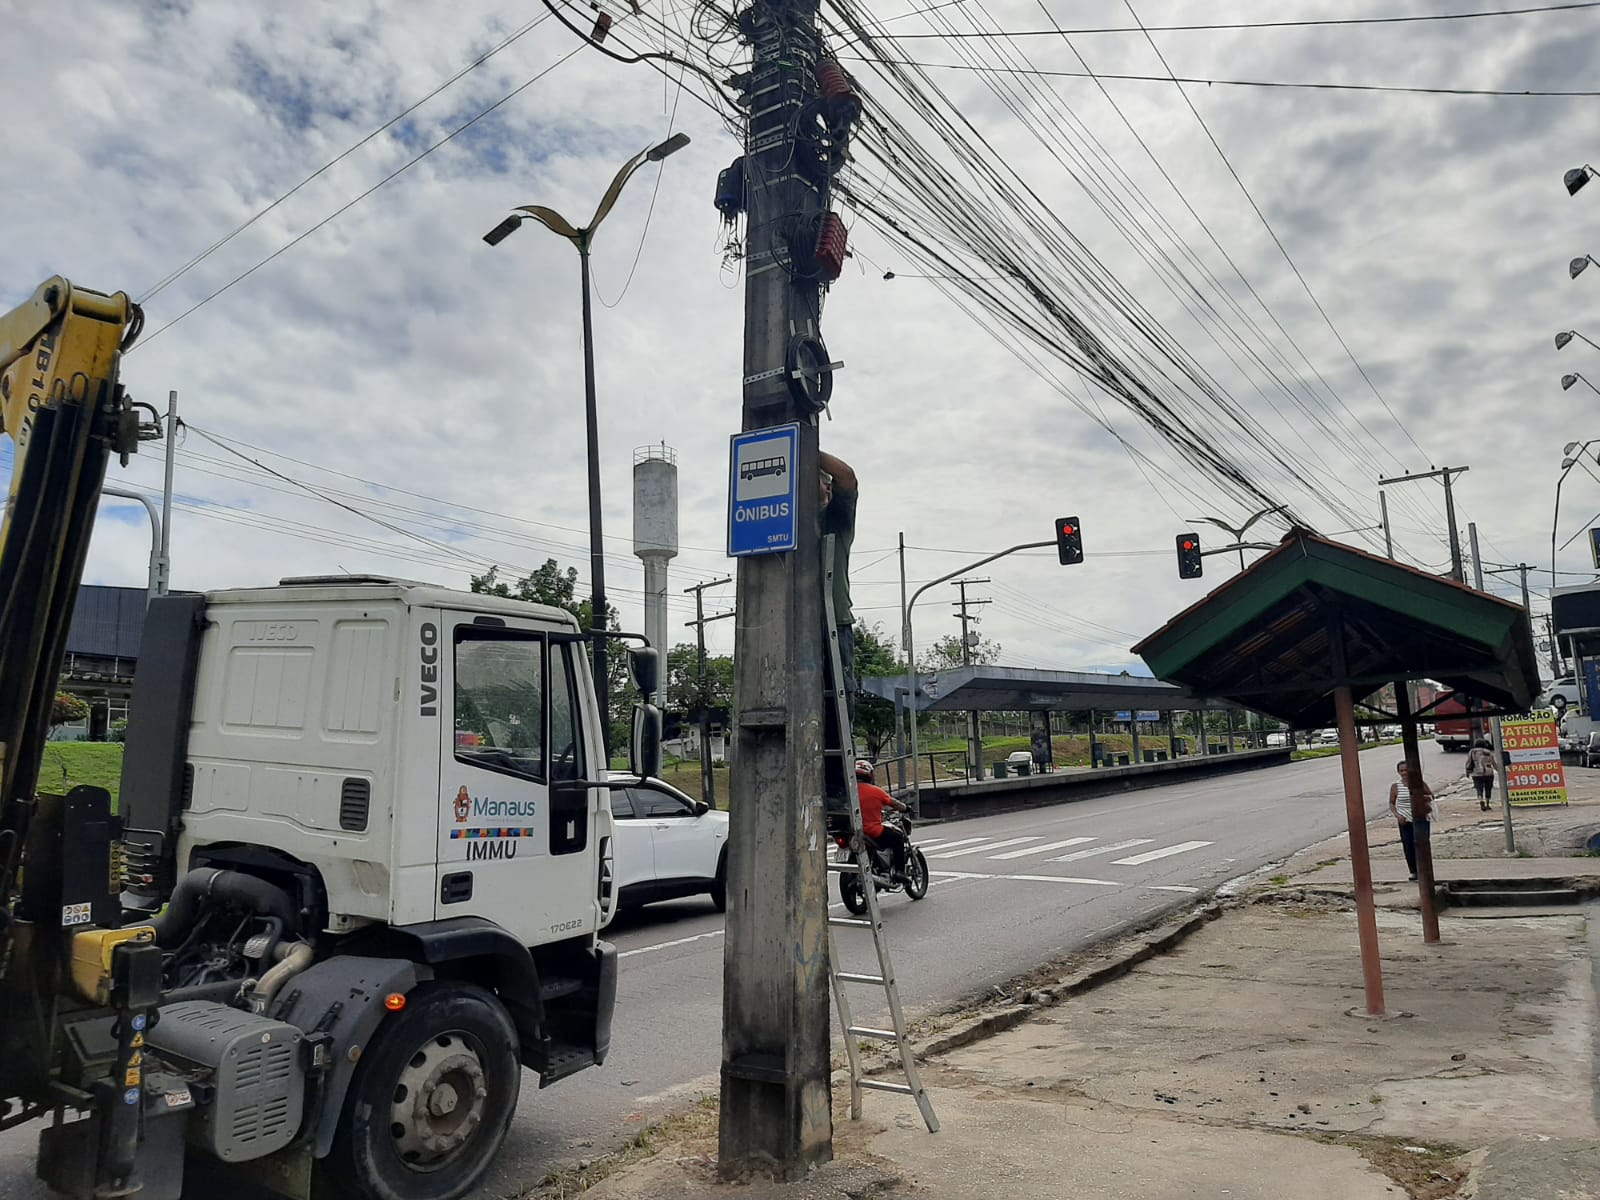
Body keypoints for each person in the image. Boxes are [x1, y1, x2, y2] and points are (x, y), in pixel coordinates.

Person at [820, 451, 858, 807]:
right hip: (792, 629)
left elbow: (847, 476)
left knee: (838, 706)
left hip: (834, 625)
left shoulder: (837, 519)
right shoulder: (790, 523)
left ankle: (838, 790)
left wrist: (803, 443)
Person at [855, 759, 910, 878]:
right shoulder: (876, 791)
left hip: (852, 831)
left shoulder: (848, 792)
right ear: (870, 775)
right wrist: (905, 808)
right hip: (872, 831)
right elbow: (894, 803)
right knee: (898, 837)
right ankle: (900, 872)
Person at [1388, 759, 1435, 882]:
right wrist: (1398, 816)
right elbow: (1392, 803)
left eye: (1406, 770)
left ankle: (1424, 870)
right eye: (1401, 771)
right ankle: (1413, 871)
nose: (1404, 773)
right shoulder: (1395, 786)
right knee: (1408, 846)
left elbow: (1431, 796)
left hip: (1421, 818)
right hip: (1404, 820)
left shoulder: (1419, 783)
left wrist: (1419, 796)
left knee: (1421, 844)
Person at [1464, 738, 1497, 811]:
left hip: (1477, 773)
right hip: (1489, 773)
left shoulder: (1472, 752)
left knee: (1479, 788)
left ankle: (1481, 800)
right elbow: (1493, 763)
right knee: (1488, 788)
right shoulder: (1488, 752)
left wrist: (1467, 771)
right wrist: (1498, 770)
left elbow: (1469, 762)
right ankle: (1488, 804)